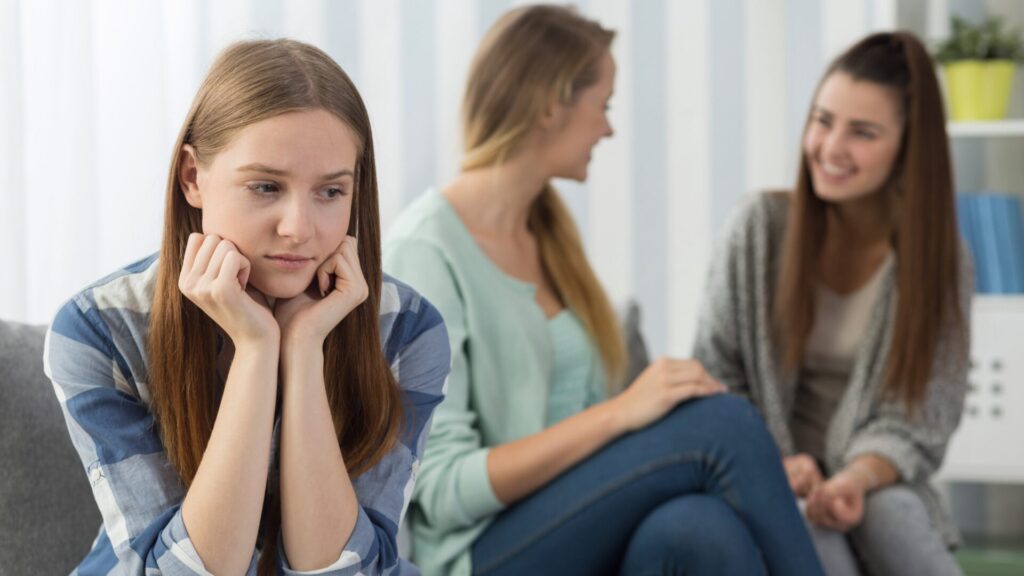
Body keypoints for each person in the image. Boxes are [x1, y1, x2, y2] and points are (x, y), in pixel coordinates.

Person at [383, 5, 825, 576]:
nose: (609, 128)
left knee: (696, 527)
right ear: (551, 105)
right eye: (604, 105)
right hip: (479, 555)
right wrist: (621, 414)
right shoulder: (426, 250)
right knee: (722, 423)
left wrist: (755, 473)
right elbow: (440, 489)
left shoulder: (547, 234)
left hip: (568, 527)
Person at [44, 39, 449, 576]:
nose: (299, 229)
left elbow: (349, 570)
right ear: (192, 178)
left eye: (331, 192)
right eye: (265, 186)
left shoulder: (406, 328)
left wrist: (304, 348)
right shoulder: (99, 328)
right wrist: (256, 349)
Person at [693, 31, 971, 576]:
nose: (830, 147)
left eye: (862, 133)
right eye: (822, 121)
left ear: (909, 149)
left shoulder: (943, 260)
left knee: (888, 514)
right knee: (811, 528)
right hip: (764, 472)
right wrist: (773, 463)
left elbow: (923, 419)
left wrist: (856, 477)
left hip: (873, 476)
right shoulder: (757, 229)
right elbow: (715, 377)